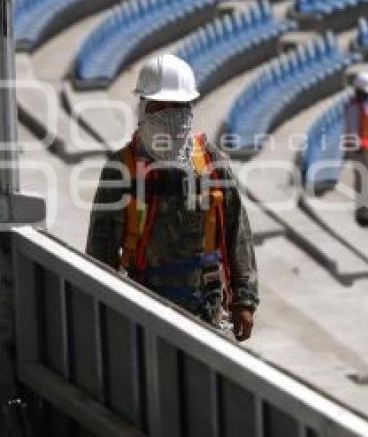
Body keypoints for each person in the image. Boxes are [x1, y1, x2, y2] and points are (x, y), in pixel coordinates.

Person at [86, 54, 259, 341]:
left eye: (178, 106)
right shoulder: (122, 170)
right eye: (160, 107)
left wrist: (244, 300)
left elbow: (237, 231)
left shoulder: (211, 162)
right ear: (143, 108)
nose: (169, 116)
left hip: (207, 311)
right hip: (143, 309)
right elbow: (100, 251)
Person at [343, 71, 368, 226]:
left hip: (367, 148)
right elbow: (352, 130)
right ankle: (363, 215)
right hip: (360, 150)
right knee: (363, 182)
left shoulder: (363, 107)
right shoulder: (354, 108)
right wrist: (355, 149)